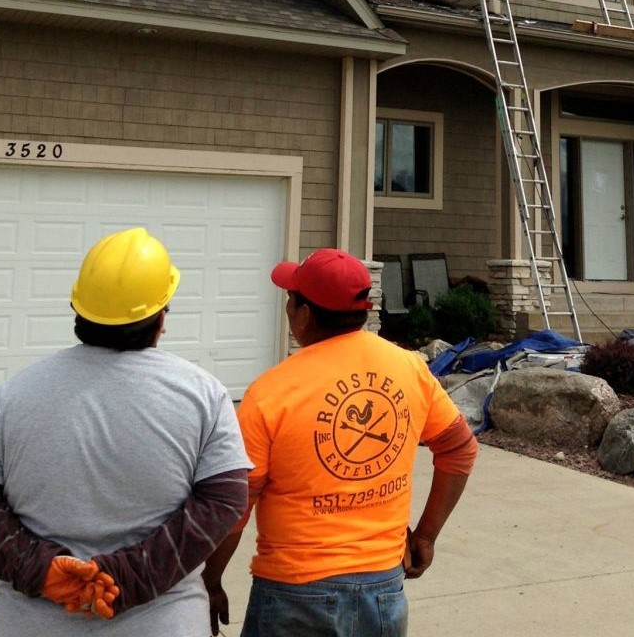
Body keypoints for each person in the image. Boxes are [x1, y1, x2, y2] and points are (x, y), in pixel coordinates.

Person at [0, 227, 252, 635]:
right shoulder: (203, 394)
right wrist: (126, 577)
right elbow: (224, 501)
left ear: (77, 308)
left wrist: (43, 573)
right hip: (163, 622)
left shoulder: (9, 397)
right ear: (161, 316)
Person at [203, 248, 478, 637]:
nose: (287, 308)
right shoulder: (408, 367)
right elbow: (460, 448)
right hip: (383, 591)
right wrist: (426, 536)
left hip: (294, 594)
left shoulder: (271, 392)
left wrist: (211, 581)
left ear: (305, 313)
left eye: (290, 299)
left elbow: (236, 503)